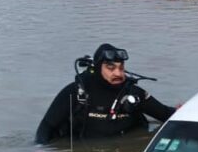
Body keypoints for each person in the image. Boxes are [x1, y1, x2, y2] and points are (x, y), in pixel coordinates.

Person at [35, 43, 176, 144]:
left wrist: (187, 110)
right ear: (97, 68)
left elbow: (166, 114)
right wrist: (40, 151)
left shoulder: (134, 94)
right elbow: (46, 126)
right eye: (111, 68)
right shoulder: (76, 91)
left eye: (121, 68)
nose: (118, 73)